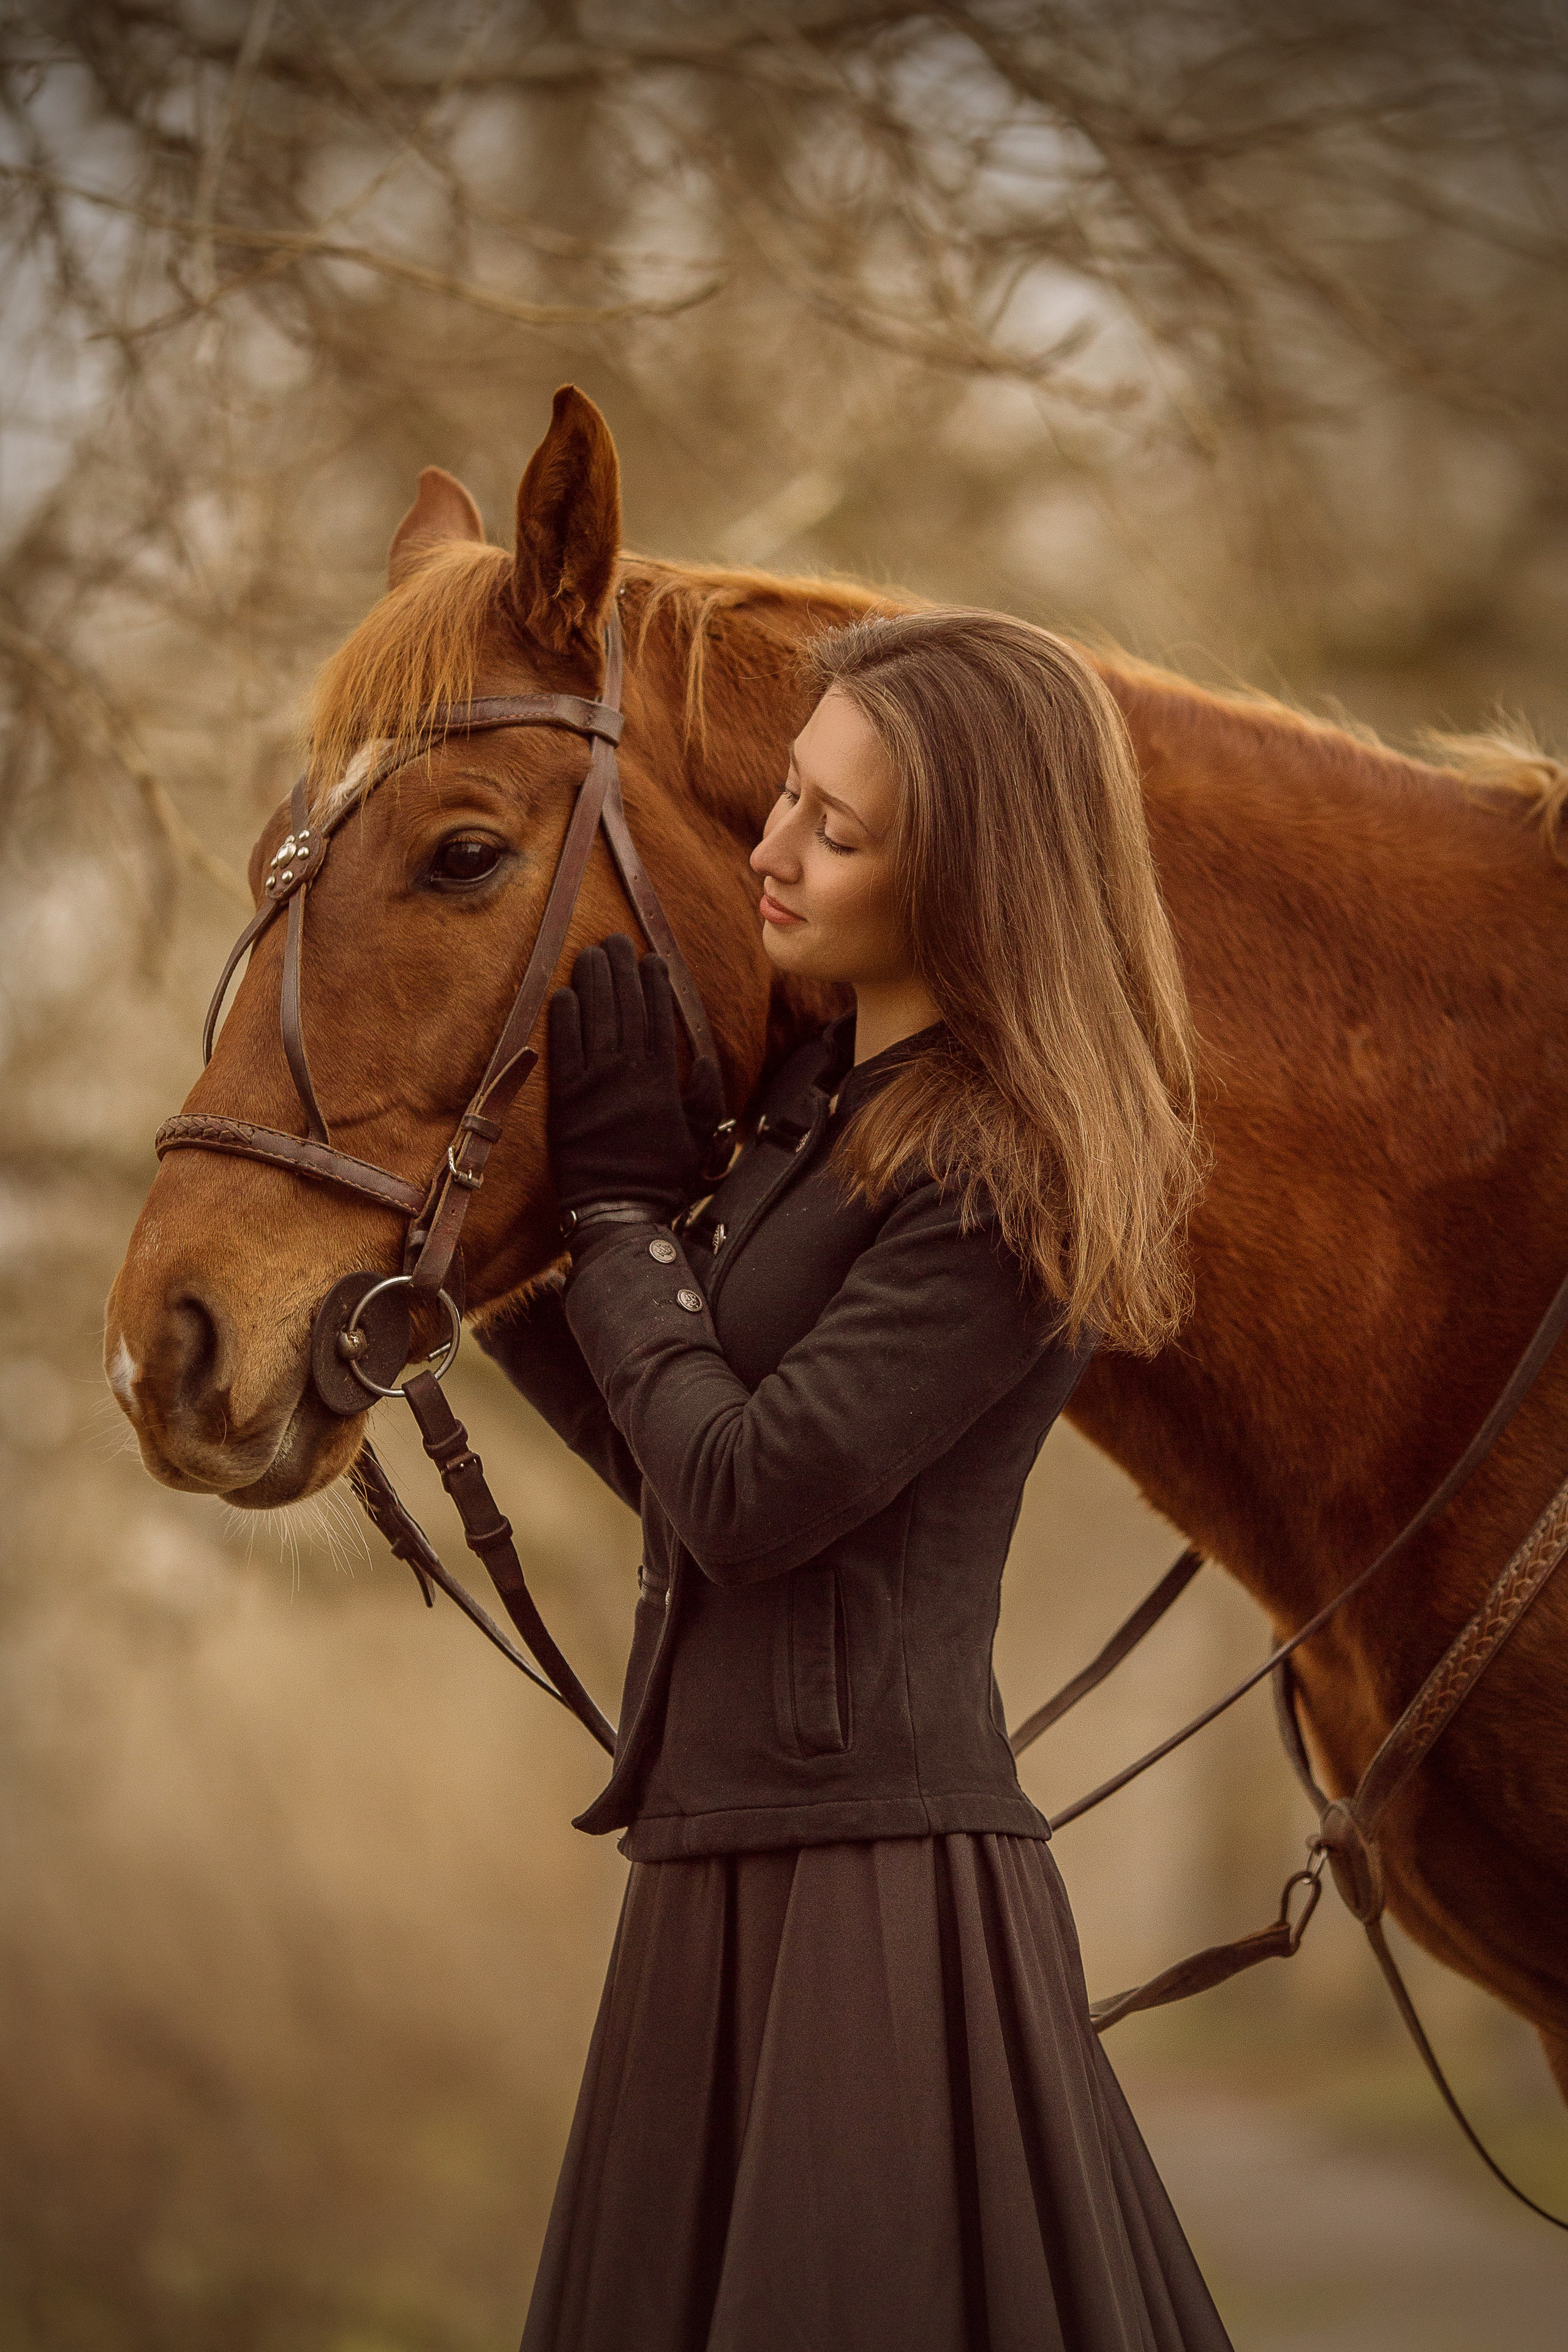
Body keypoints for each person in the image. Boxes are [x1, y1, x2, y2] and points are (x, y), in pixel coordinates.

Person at [481, 608, 1228, 2352]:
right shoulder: (814, 1104)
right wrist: (507, 1264)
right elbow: (678, 1469)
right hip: (717, 1858)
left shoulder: (1010, 1166)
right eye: (789, 799)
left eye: (838, 826)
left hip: (876, 1890)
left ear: (977, 875)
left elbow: (749, 1492)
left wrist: (612, 1227)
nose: (774, 849)